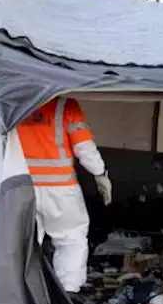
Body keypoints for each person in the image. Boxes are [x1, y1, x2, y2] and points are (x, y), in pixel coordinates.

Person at [16, 96, 112, 292]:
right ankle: (68, 292)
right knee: (71, 239)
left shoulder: (14, 100)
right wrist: (99, 173)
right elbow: (84, 146)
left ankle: (22, 293)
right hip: (60, 188)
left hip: (20, 185)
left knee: (23, 242)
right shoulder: (64, 106)